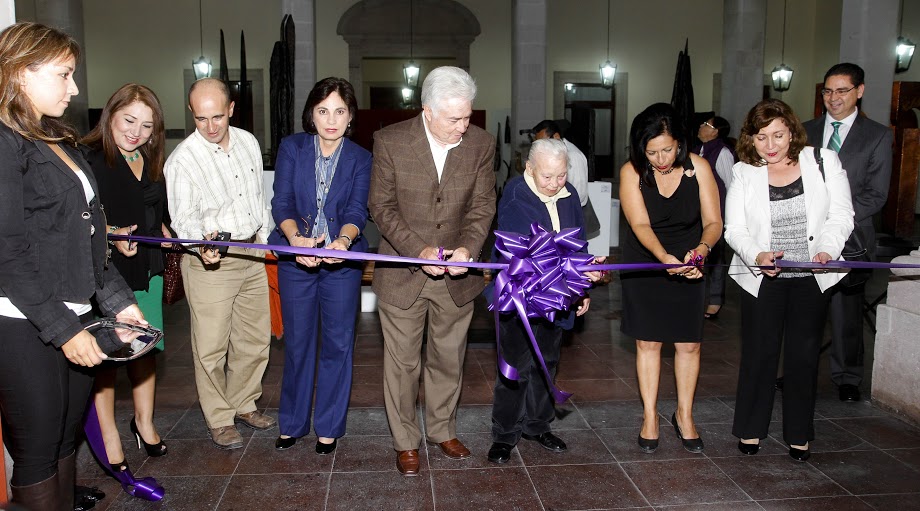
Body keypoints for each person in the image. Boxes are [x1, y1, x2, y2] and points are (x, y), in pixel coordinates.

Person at [0, 22, 146, 510]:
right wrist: (65, 331)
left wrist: (119, 305)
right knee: (39, 453)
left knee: (64, 442)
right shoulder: (3, 141)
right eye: (64, 74)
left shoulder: (51, 136)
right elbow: (8, 253)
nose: (75, 87)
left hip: (74, 309)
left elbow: (87, 238)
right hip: (24, 321)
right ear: (22, 73)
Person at [368, 66, 496, 476]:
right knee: (402, 364)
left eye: (467, 117)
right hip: (404, 274)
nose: (463, 126)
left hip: (457, 277)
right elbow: (381, 207)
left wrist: (468, 249)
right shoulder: (390, 142)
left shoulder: (481, 144)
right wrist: (416, 250)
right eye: (454, 119)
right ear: (427, 110)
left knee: (448, 358)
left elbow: (482, 207)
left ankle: (442, 430)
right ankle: (405, 441)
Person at [725, 98, 854, 461]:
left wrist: (827, 250)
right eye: (761, 137)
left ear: (792, 130)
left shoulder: (823, 161)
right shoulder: (743, 171)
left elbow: (842, 215)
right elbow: (734, 228)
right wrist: (757, 256)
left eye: (778, 135)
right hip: (764, 278)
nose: (770, 145)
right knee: (759, 353)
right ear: (750, 138)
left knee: (803, 356)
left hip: (812, 277)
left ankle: (799, 433)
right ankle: (751, 429)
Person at [165, 78, 275, 450]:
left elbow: (258, 197)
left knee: (255, 340)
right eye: (200, 119)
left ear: (231, 109)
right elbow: (183, 218)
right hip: (211, 261)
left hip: (251, 254)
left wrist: (264, 237)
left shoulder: (248, 142)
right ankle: (219, 418)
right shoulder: (182, 159)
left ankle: (243, 403)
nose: (210, 127)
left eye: (217, 116)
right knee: (211, 347)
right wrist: (201, 245)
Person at [486, 138, 605, 464]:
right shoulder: (514, 195)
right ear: (530, 169)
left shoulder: (570, 198)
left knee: (547, 362)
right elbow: (529, 252)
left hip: (559, 296)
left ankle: (537, 426)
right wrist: (572, 274)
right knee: (514, 367)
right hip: (521, 296)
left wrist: (582, 288)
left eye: (561, 175)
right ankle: (505, 434)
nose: (554, 184)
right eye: (547, 176)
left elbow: (577, 247)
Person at [269, 77, 371, 454]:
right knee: (297, 343)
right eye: (323, 110)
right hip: (296, 260)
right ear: (311, 114)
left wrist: (342, 243)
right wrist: (296, 240)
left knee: (338, 344)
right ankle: (292, 423)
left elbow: (358, 210)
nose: (331, 119)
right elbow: (281, 202)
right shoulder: (292, 148)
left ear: (350, 117)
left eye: (340, 111)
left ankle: (328, 426)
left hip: (342, 265)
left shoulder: (361, 157)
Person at [618, 103, 722, 454]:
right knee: (648, 342)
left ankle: (684, 414)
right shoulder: (631, 172)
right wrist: (663, 259)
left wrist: (701, 251)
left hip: (691, 255)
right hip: (647, 259)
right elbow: (640, 224)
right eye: (652, 152)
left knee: (688, 343)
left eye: (667, 149)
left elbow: (713, 222)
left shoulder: (701, 167)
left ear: (680, 142)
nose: (661, 159)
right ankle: (650, 416)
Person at [81, 84, 172, 477]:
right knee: (107, 357)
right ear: (110, 115)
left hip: (147, 269)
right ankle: (108, 435)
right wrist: (114, 231)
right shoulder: (90, 160)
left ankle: (144, 423)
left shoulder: (150, 160)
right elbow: (81, 221)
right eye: (129, 120)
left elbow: (157, 213)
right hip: (107, 273)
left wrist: (169, 234)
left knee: (146, 350)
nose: (136, 132)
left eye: (147, 125)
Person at [802, 63, 893, 403]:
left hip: (851, 239)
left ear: (860, 91)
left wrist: (835, 222)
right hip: (804, 237)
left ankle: (847, 377)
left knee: (845, 313)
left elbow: (876, 194)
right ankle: (799, 369)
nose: (833, 98)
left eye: (842, 90)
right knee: (803, 309)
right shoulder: (804, 131)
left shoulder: (878, 135)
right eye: (827, 91)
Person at [691, 113, 737, 318]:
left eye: (706, 124)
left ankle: (715, 300)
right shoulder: (694, 150)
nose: (701, 126)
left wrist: (726, 218)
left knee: (715, 258)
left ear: (715, 131)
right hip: (694, 212)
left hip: (715, 214)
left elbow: (730, 186)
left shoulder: (723, 153)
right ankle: (694, 296)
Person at [531, 120, 589, 208]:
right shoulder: (553, 155)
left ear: (556, 137)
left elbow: (579, 194)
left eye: (544, 142)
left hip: (574, 210)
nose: (541, 147)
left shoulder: (573, 156)